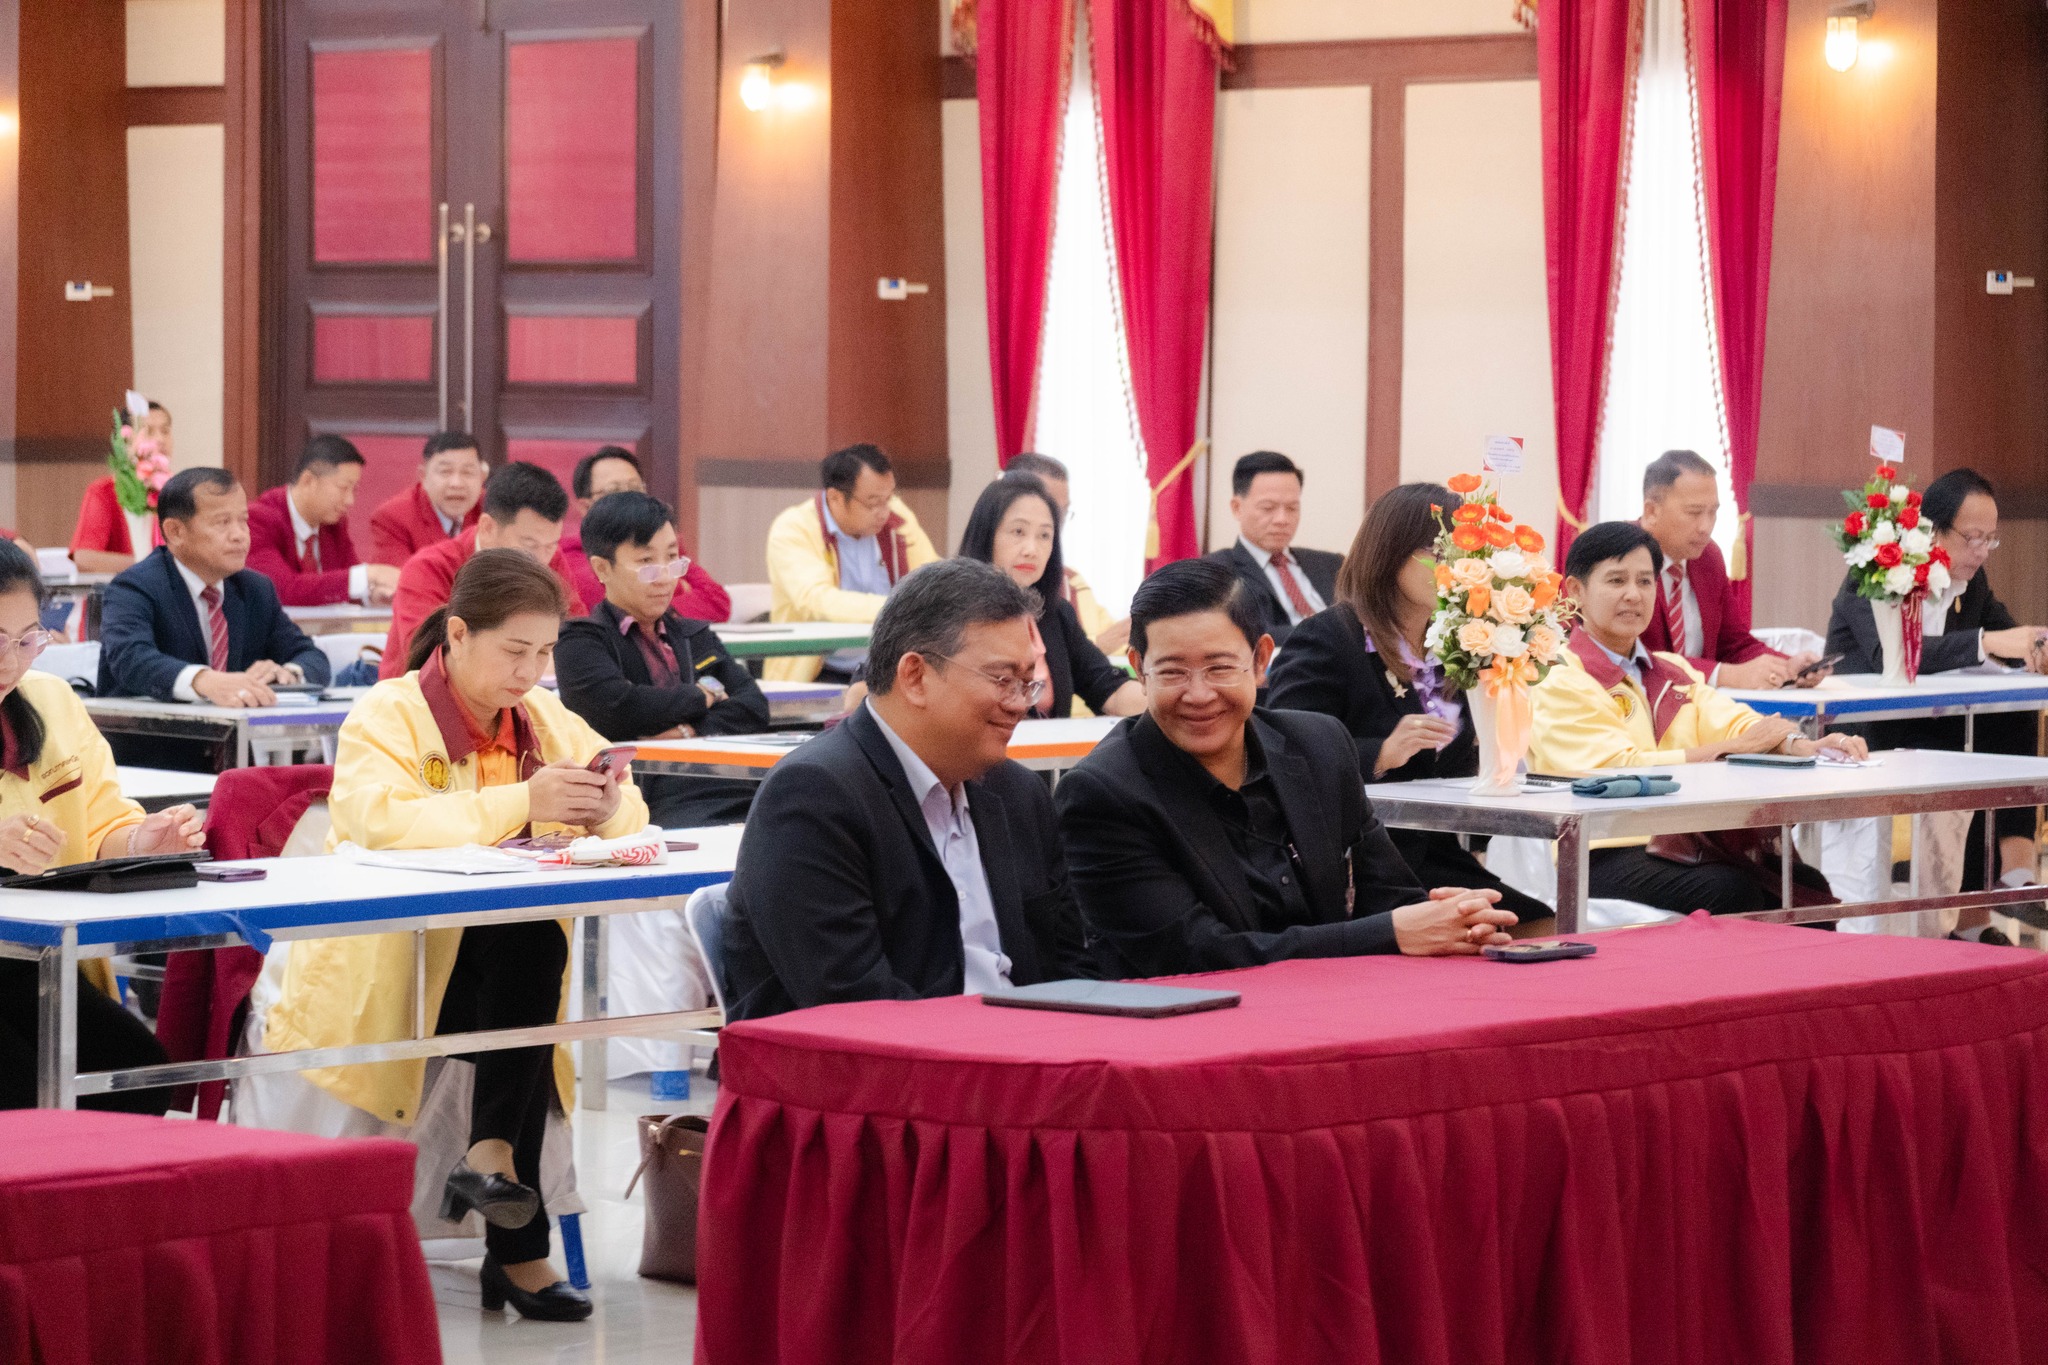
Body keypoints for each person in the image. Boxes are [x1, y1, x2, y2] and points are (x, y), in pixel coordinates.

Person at [267, 550, 648, 1322]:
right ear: (457, 633)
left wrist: (603, 805)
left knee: (527, 945)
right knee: (529, 977)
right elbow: (381, 823)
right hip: (394, 966)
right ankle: (516, 1245)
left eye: (545, 653)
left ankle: (493, 1162)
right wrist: (521, 800)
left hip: (496, 974)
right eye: (516, 651)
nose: (532, 673)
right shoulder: (389, 712)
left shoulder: (544, 719)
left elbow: (633, 805)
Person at [1054, 558, 1517, 977]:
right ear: (1138, 668)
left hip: (1336, 1013)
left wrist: (1451, 922)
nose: (1197, 694)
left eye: (1219, 668)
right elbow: (1193, 955)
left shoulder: (1319, 745)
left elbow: (1390, 895)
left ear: (1260, 661)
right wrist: (1392, 932)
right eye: (1172, 672)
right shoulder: (1104, 792)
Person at [721, 559, 1096, 1023]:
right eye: (1002, 680)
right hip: (877, 1080)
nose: (1022, 704)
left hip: (1019, 1065)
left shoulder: (1017, 793)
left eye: (1027, 682)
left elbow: (1069, 964)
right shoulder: (814, 797)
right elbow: (855, 1007)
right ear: (915, 676)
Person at [1528, 521, 1866, 916]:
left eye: (1645, 581)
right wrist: (1730, 749)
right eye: (1616, 581)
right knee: (1730, 891)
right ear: (1575, 592)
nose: (1633, 595)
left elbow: (1735, 721)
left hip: (1686, 838)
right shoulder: (1558, 674)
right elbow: (1612, 768)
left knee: (1805, 885)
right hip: (1602, 849)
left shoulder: (1670, 669)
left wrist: (1804, 745)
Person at [1265, 482, 1553, 930]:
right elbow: (1283, 748)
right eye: (1438, 552)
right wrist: (1378, 753)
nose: (1453, 568)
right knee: (1499, 928)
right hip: (1356, 861)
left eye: (1462, 555)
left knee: (1541, 924)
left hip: (1433, 851)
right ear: (1390, 550)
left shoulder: (1458, 642)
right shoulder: (1330, 636)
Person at [0, 541, 206, 1112]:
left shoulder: (52, 701)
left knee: (138, 1077)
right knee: (22, 1095)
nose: (12, 662)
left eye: (27, 639)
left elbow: (100, 826)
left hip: (34, 961)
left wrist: (142, 841)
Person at [1824, 467, 2048, 896]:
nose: (1983, 551)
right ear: (1932, 530)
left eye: (1991, 539)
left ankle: (2012, 874)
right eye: (1972, 538)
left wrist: (2036, 647)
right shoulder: (1871, 571)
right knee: (1965, 752)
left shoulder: (1972, 579)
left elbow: (2012, 635)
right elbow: (1891, 657)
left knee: (2010, 719)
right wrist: (1987, 641)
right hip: (1867, 726)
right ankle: (1966, 905)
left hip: (1935, 720)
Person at [555, 490, 769, 828]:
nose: (666, 577)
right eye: (645, 563)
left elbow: (753, 707)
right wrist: (703, 696)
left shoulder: (692, 633)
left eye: (672, 559)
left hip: (727, 782)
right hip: (643, 798)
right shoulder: (580, 640)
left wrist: (684, 732)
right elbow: (618, 710)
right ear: (602, 568)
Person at [98, 468, 330, 767]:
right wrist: (205, 681)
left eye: (243, 520)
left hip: (233, 764)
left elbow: (311, 657)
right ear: (175, 532)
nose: (239, 535)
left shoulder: (254, 589)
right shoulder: (135, 586)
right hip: (147, 762)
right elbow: (131, 658)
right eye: (222, 522)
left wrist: (288, 674)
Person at [956, 475, 1142, 720]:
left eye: (1044, 536)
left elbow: (1110, 689)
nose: (1031, 549)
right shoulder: (954, 615)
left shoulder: (1056, 614)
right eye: (1018, 531)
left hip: (1045, 758)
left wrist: (1172, 696)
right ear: (986, 536)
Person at [380, 462, 586, 679]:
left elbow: (578, 634)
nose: (541, 559)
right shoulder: (429, 568)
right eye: (529, 544)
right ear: (487, 528)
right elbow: (432, 656)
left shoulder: (549, 558)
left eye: (551, 544)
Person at [1637, 449, 1819, 688]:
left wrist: (1787, 666)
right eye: (1694, 513)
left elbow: (1733, 644)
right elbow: (1628, 657)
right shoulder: (1619, 557)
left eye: (1713, 513)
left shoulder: (1707, 557)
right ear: (1651, 512)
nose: (1706, 527)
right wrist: (1723, 675)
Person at [762, 442, 938, 683]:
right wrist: (897, 608)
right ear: (835, 497)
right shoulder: (794, 528)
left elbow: (931, 579)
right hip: (820, 671)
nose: (884, 512)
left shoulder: (896, 516)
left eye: (888, 498)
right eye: (873, 502)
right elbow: (816, 599)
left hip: (891, 669)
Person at [558, 446, 730, 622]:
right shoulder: (571, 557)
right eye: (614, 492)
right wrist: (682, 589)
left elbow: (718, 603)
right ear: (585, 507)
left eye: (635, 489)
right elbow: (625, 613)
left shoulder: (662, 539)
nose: (628, 500)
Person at [1205, 450, 1343, 647]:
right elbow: (1245, 633)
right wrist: (1328, 632)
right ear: (1237, 507)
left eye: (1292, 508)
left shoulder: (1332, 564)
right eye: (1268, 508)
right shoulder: (1218, 572)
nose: (1282, 520)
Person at [244, 435, 401, 607]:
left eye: (354, 490)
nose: (350, 500)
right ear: (308, 480)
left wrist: (371, 595)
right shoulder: (257, 520)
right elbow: (283, 591)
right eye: (343, 488)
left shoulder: (334, 524)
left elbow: (345, 582)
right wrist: (370, 574)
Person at [1004, 452, 1128, 652]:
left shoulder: (1071, 585)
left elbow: (1118, 643)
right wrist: (1097, 647)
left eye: (1062, 512)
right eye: (1050, 508)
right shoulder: (965, 594)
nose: (1056, 521)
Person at [71, 400, 172, 574]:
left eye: (165, 431)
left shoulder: (176, 493)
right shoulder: (105, 491)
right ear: (125, 439)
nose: (160, 439)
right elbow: (84, 559)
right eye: (148, 431)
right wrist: (150, 566)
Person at [369, 431, 487, 567]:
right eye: (445, 472)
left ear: (482, 477)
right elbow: (396, 581)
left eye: (467, 472)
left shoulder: (493, 509)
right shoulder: (393, 518)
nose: (456, 483)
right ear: (423, 476)